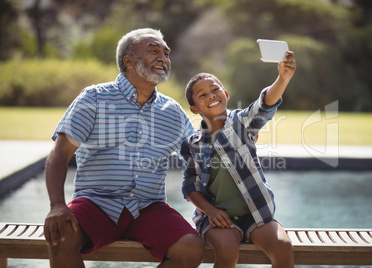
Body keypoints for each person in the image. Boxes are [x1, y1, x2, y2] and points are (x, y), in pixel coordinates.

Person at [44, 28, 205, 268]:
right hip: (96, 203)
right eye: (154, 50)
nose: (163, 57)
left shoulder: (172, 111)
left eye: (166, 53)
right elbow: (59, 154)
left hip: (148, 208)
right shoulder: (94, 98)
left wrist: (239, 137)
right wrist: (57, 204)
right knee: (61, 236)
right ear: (128, 60)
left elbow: (201, 157)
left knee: (191, 247)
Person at [181, 52, 296, 268]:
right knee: (227, 250)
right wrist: (211, 211)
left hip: (256, 214)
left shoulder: (241, 124)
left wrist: (283, 79)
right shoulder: (192, 144)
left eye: (215, 89)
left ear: (225, 94)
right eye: (202, 94)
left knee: (282, 246)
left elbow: (264, 106)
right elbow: (190, 187)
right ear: (194, 109)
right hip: (218, 218)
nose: (211, 95)